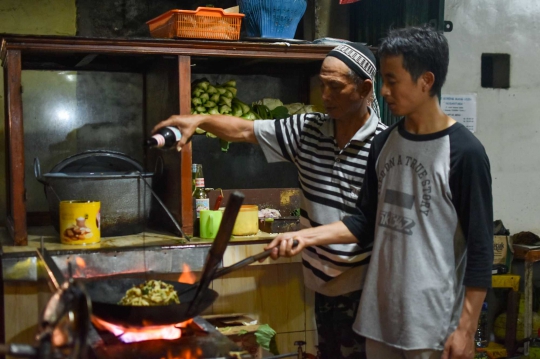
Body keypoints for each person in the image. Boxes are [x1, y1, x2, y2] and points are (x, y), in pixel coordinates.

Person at [265, 26, 493, 359]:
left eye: (393, 80)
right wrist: (306, 238)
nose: (383, 91)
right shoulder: (384, 143)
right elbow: (363, 220)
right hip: (379, 320)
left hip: (433, 326)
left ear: (425, 81)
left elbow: (481, 248)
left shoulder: (464, 152)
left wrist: (466, 329)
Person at [153, 43, 387, 359]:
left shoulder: (384, 147)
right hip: (322, 286)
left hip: (368, 288)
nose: (325, 95)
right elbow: (245, 130)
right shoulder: (308, 129)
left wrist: (302, 236)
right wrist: (200, 121)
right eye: (322, 85)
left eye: (335, 87)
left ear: (365, 88)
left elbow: (371, 224)